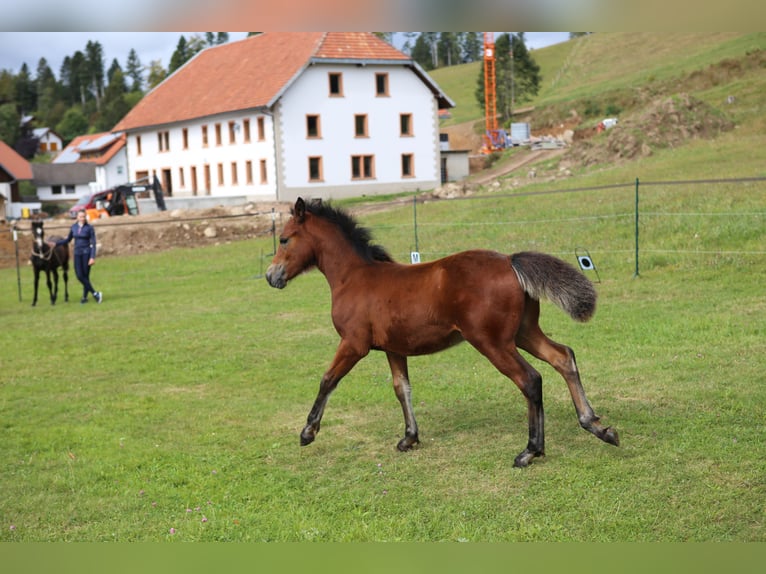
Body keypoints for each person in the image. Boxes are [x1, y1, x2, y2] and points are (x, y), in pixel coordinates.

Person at [56, 210, 103, 304]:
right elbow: (68, 240)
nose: (82, 218)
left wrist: (92, 257)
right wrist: (56, 244)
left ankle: (85, 297)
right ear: (77, 217)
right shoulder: (74, 227)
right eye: (80, 216)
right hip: (77, 254)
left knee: (85, 276)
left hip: (86, 253)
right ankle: (95, 293)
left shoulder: (89, 228)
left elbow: (93, 243)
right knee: (79, 276)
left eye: (84, 216)